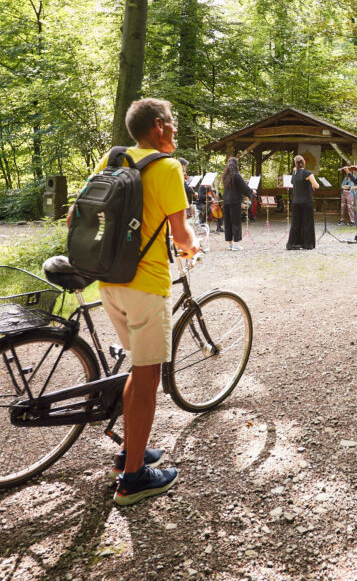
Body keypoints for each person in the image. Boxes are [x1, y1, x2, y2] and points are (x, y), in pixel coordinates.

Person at [83, 98, 200, 505]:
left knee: (139, 367)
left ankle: (127, 453)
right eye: (173, 123)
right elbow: (182, 237)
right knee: (149, 378)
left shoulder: (114, 158)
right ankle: (133, 478)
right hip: (146, 284)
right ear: (158, 126)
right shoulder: (168, 168)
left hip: (109, 282)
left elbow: (75, 218)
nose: (176, 129)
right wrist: (193, 248)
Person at [220, 156, 254, 251]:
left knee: (228, 223)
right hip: (234, 202)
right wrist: (252, 193)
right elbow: (244, 187)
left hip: (226, 201)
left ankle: (230, 244)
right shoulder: (237, 175)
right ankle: (236, 245)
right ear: (236, 165)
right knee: (236, 222)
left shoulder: (225, 176)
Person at [286, 154, 319, 250]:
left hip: (296, 202)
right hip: (306, 202)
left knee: (296, 223)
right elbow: (316, 186)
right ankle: (307, 244)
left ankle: (293, 244)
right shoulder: (307, 173)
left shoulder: (294, 173)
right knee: (307, 222)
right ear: (304, 162)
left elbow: (293, 183)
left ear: (295, 164)